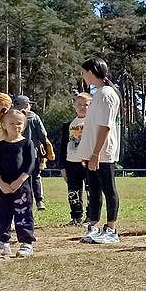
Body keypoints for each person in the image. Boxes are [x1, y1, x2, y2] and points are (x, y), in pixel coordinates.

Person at [79, 58, 123, 245]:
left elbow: (105, 126)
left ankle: (111, 229)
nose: (82, 76)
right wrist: (87, 152)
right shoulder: (98, 94)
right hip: (93, 151)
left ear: (91, 72)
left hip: (103, 152)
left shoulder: (106, 94)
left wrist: (96, 153)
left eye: (84, 72)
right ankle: (94, 226)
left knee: (108, 188)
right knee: (94, 189)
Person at [0, 108, 37, 259]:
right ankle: (2, 243)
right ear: (4, 125)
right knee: (3, 215)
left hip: (22, 187)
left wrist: (20, 180)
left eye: (19, 123)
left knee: (23, 214)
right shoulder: (0, 145)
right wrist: (0, 183)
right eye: (12, 123)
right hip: (3, 187)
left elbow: (30, 164)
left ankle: (26, 243)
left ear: (24, 125)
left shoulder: (27, 143)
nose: (16, 126)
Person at [12, 95, 53, 209]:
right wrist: (46, 147)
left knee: (20, 177)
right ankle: (39, 201)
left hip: (16, 153)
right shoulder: (34, 117)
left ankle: (23, 200)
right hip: (33, 153)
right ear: (26, 105)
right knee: (35, 176)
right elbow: (43, 134)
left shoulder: (11, 117)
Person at [63, 91, 92, 226]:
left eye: (86, 104)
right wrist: (62, 166)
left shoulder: (93, 123)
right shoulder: (68, 124)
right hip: (71, 163)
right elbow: (63, 146)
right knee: (73, 192)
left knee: (91, 190)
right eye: (79, 104)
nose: (82, 107)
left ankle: (90, 216)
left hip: (88, 162)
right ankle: (76, 217)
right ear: (74, 106)